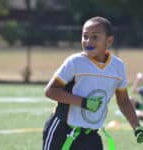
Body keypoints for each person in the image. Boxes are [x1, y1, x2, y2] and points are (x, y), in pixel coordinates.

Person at [43, 16, 143, 150]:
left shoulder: (118, 67)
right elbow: (50, 91)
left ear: (109, 41)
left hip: (91, 136)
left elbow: (124, 101)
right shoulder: (75, 62)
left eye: (95, 37)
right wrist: (83, 102)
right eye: (85, 36)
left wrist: (137, 127)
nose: (88, 41)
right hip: (62, 131)